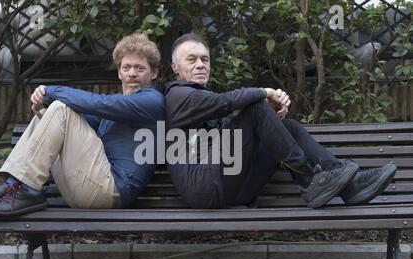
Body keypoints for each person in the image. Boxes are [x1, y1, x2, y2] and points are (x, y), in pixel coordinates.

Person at [163, 33, 396, 209]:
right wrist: (264, 93)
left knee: (287, 125)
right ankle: (309, 180)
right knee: (256, 106)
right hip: (204, 188)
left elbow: (229, 131)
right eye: (191, 59)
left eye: (205, 59)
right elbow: (225, 103)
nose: (200, 64)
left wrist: (269, 118)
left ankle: (350, 185)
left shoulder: (203, 99)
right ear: (176, 67)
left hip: (234, 186)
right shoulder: (176, 95)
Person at [0, 33, 165, 216]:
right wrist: (46, 110)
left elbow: (97, 103)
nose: (132, 74)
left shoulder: (152, 101)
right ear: (119, 73)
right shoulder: (116, 106)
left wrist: (50, 91)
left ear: (154, 73)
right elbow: (79, 115)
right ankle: (15, 183)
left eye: (140, 68)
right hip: (85, 188)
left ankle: (23, 186)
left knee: (60, 108)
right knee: (48, 113)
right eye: (126, 67)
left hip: (110, 193)